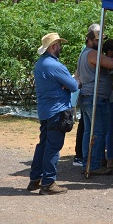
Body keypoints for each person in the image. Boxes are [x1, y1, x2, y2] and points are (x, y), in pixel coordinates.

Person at [28, 32, 79, 195]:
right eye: (59, 45)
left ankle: (35, 179)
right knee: (53, 147)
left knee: (43, 145)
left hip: (45, 110)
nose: (60, 48)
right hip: (57, 110)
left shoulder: (40, 64)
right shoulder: (55, 66)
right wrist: (67, 84)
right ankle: (48, 182)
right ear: (53, 46)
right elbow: (73, 85)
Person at [75, 24, 113, 177]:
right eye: (98, 40)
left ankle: (88, 162)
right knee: (98, 132)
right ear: (90, 40)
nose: (100, 43)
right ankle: (95, 165)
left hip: (89, 96)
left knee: (89, 132)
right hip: (95, 98)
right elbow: (112, 64)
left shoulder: (84, 53)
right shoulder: (93, 53)